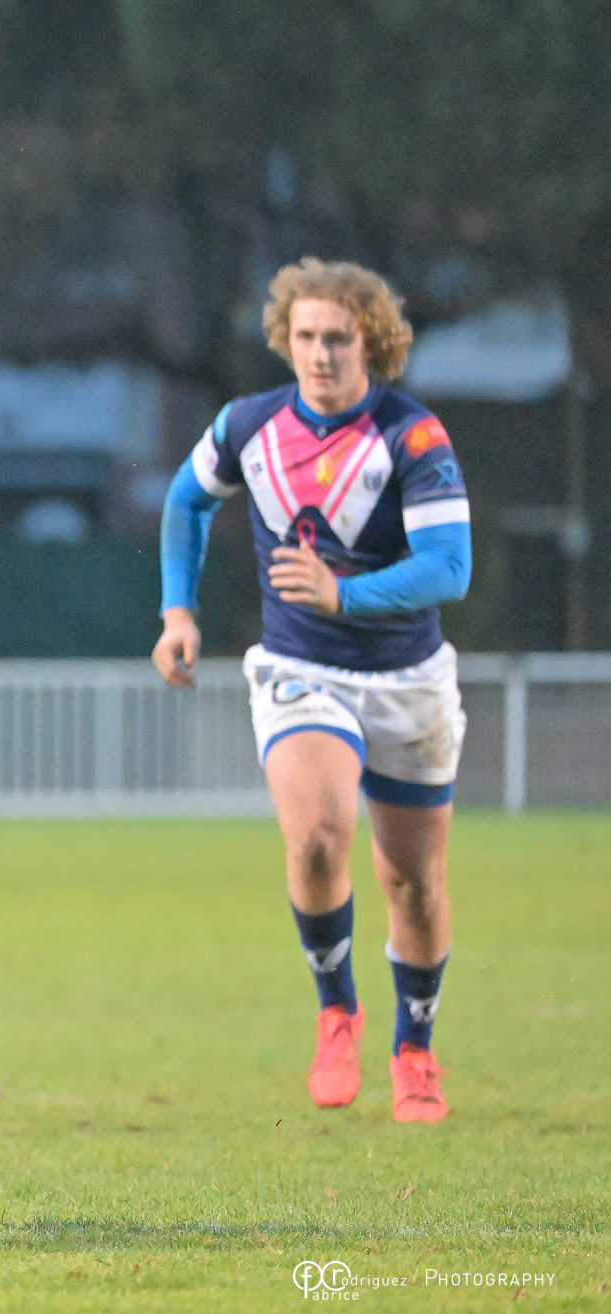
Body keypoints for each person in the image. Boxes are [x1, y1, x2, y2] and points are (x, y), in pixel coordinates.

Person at [151, 258, 471, 1123]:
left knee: (414, 882)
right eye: (306, 337)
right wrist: (178, 612)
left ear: (372, 342)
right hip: (301, 665)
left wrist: (346, 594)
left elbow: (450, 566)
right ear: (285, 341)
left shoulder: (413, 437)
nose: (321, 354)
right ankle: (338, 1012)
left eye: (338, 338)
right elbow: (185, 502)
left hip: (408, 677)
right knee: (320, 836)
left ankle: (415, 1048)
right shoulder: (247, 424)